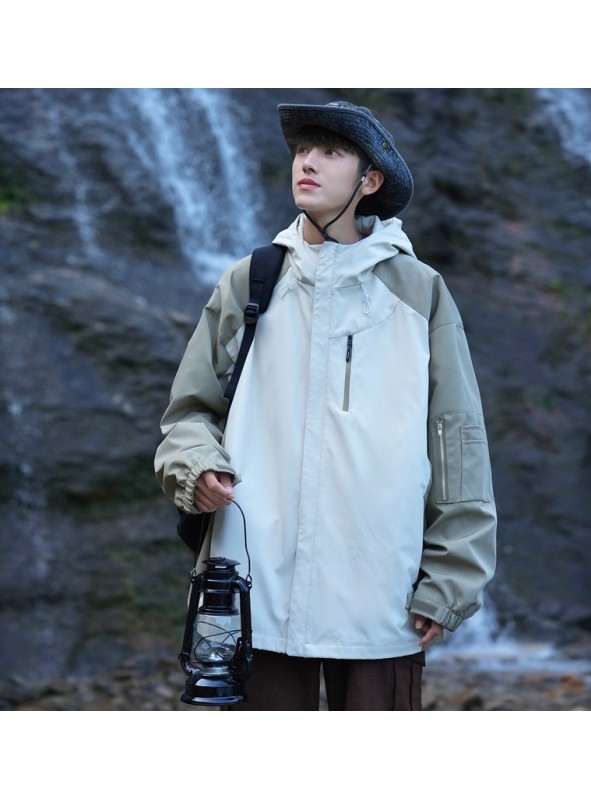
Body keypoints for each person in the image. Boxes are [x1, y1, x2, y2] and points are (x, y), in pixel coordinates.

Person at [155, 100, 497, 711]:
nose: (307, 162)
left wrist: (450, 580)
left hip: (380, 593)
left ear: (370, 181)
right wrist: (196, 467)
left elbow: (457, 441)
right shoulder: (250, 281)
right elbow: (188, 413)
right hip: (252, 588)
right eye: (301, 150)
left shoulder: (420, 291)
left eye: (331, 152)